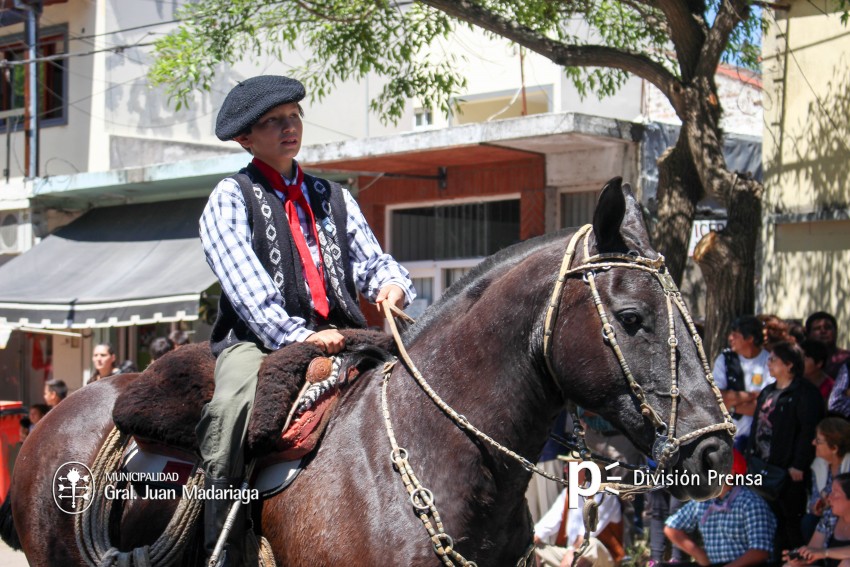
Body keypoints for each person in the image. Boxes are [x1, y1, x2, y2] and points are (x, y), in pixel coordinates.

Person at [199, 74, 415, 565]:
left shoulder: (332, 195)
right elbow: (249, 292)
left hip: (347, 335)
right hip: (258, 342)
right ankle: (219, 540)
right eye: (273, 121)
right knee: (229, 412)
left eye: (294, 117)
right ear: (245, 138)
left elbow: (372, 260)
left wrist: (390, 286)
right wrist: (303, 339)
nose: (288, 127)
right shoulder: (230, 198)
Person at [748, 341, 825, 553]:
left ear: (789, 365)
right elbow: (757, 426)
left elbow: (808, 431)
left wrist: (799, 464)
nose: (768, 363)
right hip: (761, 468)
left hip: (789, 473)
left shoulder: (805, 393)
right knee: (766, 523)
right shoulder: (767, 391)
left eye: (773, 360)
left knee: (789, 523)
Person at [664, 450, 776, 567]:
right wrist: (700, 555)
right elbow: (671, 528)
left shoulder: (750, 503)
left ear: (732, 473)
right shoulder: (703, 501)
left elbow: (761, 551)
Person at [533, 466, 624, 567]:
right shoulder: (567, 494)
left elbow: (586, 533)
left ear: (586, 470)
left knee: (590, 544)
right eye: (567, 467)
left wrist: (571, 551)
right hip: (571, 557)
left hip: (603, 560)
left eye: (573, 467)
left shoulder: (605, 495)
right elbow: (545, 526)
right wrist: (530, 541)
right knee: (532, 548)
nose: (566, 471)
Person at [713, 315, 774, 452]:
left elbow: (767, 406)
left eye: (735, 335)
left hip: (758, 441)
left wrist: (731, 405)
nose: (730, 338)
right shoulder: (724, 360)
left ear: (750, 338)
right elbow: (717, 398)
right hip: (728, 437)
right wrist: (753, 396)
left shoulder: (769, 361)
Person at [784, 472, 850, 567]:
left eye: (835, 493)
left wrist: (825, 553)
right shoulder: (831, 515)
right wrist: (802, 557)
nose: (829, 498)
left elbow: (822, 552)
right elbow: (814, 549)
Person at [802, 417, 850, 543]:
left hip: (843, 516)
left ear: (834, 448)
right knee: (808, 521)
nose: (813, 443)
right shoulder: (818, 465)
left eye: (818, 441)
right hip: (826, 516)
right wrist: (816, 507)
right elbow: (814, 500)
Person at [807, 312, 850, 379]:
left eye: (828, 327)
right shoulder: (801, 361)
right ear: (808, 334)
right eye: (817, 328)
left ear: (836, 332)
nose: (823, 331)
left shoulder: (846, 358)